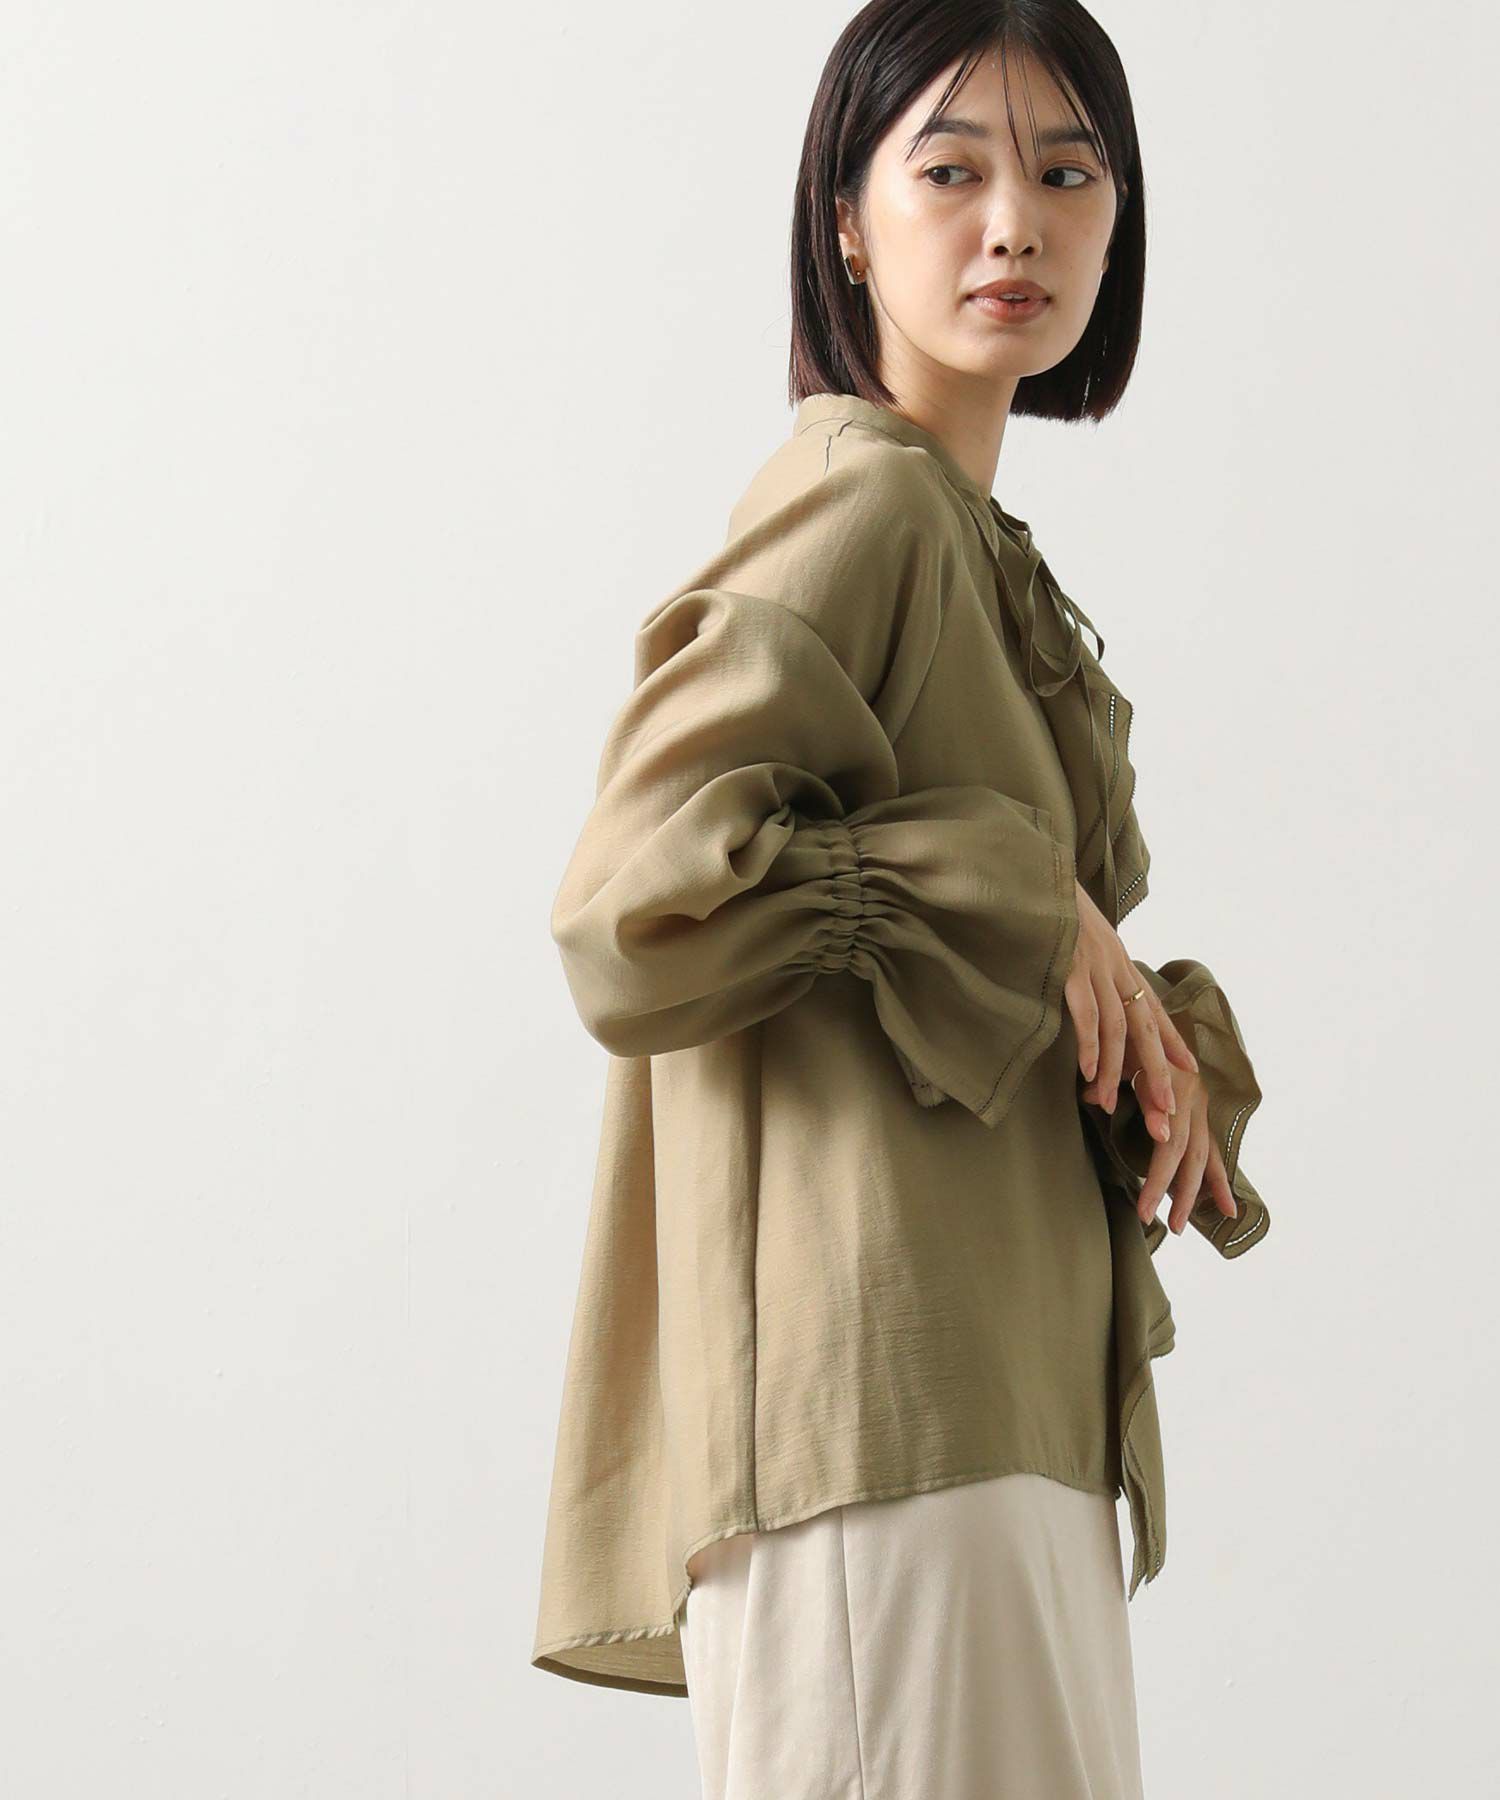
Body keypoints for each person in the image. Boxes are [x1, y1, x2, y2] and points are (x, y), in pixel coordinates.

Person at [531, 2, 1271, 1794]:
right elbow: (627, 913)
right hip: (883, 1426)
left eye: (1068, 173)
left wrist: (1128, 1022)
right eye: (951, 170)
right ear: (847, 223)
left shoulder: (965, 539)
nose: (1016, 222)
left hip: (993, 1418)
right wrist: (1012, 893)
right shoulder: (854, 506)